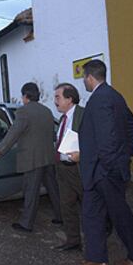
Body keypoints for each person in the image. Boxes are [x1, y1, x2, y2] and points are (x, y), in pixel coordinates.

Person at [79, 60, 133, 265]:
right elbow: (132, 126)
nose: (84, 81)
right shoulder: (115, 96)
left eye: (84, 77)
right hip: (99, 171)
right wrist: (127, 154)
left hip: (104, 171)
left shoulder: (100, 99)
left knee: (120, 217)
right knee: (91, 215)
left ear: (90, 77)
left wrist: (112, 165)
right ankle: (96, 258)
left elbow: (107, 137)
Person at [0, 82, 61, 232]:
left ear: (25, 96)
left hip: (32, 159)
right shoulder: (47, 111)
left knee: (31, 191)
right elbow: (53, 133)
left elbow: (14, 133)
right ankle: (61, 216)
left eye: (22, 96)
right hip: (48, 156)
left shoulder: (23, 112)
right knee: (53, 189)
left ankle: (26, 224)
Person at [52, 83, 84, 251]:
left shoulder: (83, 115)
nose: (54, 101)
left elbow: (95, 142)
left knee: (89, 205)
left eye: (58, 97)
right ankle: (73, 240)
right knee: (67, 206)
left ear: (70, 98)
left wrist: (82, 154)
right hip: (62, 169)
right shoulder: (62, 118)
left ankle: (100, 236)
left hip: (79, 169)